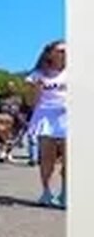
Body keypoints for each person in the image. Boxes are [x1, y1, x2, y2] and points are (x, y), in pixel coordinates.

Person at [24, 40, 67, 207]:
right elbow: (30, 103)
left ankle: (66, 193)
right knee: (47, 158)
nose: (64, 54)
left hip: (69, 118)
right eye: (60, 51)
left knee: (70, 159)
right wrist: (36, 89)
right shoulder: (37, 74)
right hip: (46, 118)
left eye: (66, 51)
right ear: (50, 53)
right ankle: (46, 192)